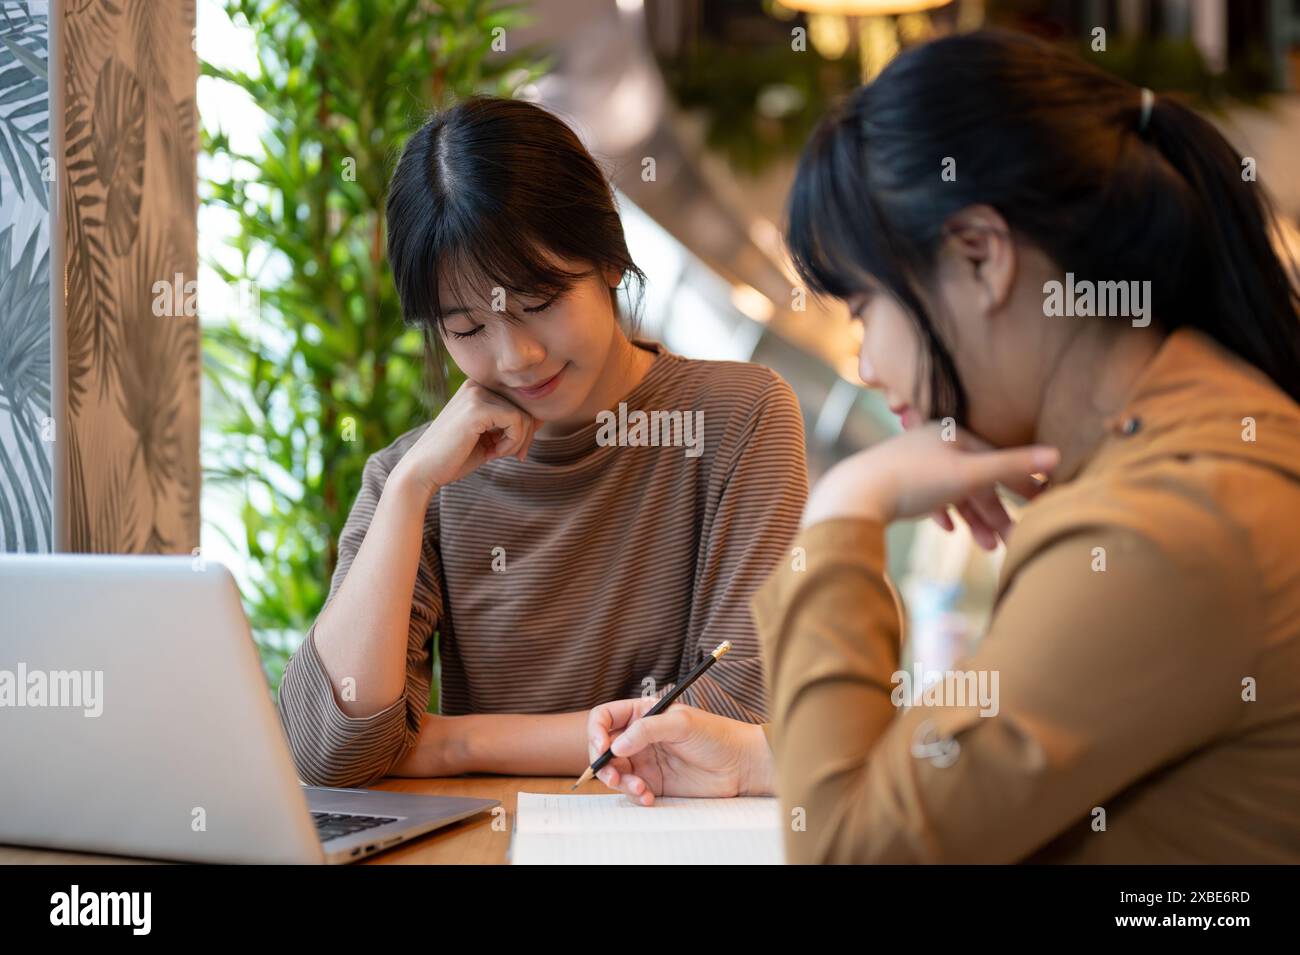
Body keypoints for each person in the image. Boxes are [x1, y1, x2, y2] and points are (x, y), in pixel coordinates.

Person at [585, 30, 1300, 864]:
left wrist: (844, 512)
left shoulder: (1164, 523)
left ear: (980, 256)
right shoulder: (1188, 449)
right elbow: (1013, 767)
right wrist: (767, 759)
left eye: (863, 308)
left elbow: (851, 850)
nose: (865, 361)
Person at [277, 96, 808, 787]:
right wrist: (409, 491)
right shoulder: (419, 475)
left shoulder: (741, 418)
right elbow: (328, 750)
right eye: (466, 330)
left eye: (537, 303)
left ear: (610, 258)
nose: (517, 355)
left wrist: (451, 744)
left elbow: (735, 717)